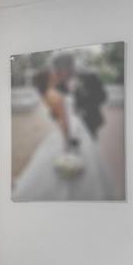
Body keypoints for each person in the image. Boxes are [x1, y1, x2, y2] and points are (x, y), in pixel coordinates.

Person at [13, 68, 114, 201]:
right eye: (52, 75)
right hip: (71, 129)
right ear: (48, 79)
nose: (55, 76)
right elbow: (63, 119)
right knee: (75, 159)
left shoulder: (47, 94)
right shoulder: (54, 94)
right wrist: (68, 140)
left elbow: (58, 116)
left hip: (70, 126)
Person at [53, 53, 106, 139]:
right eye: (57, 70)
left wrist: (84, 108)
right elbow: (57, 103)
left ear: (70, 68)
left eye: (60, 70)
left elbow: (102, 97)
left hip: (89, 122)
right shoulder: (58, 84)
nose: (57, 74)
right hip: (68, 124)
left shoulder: (91, 78)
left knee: (89, 148)